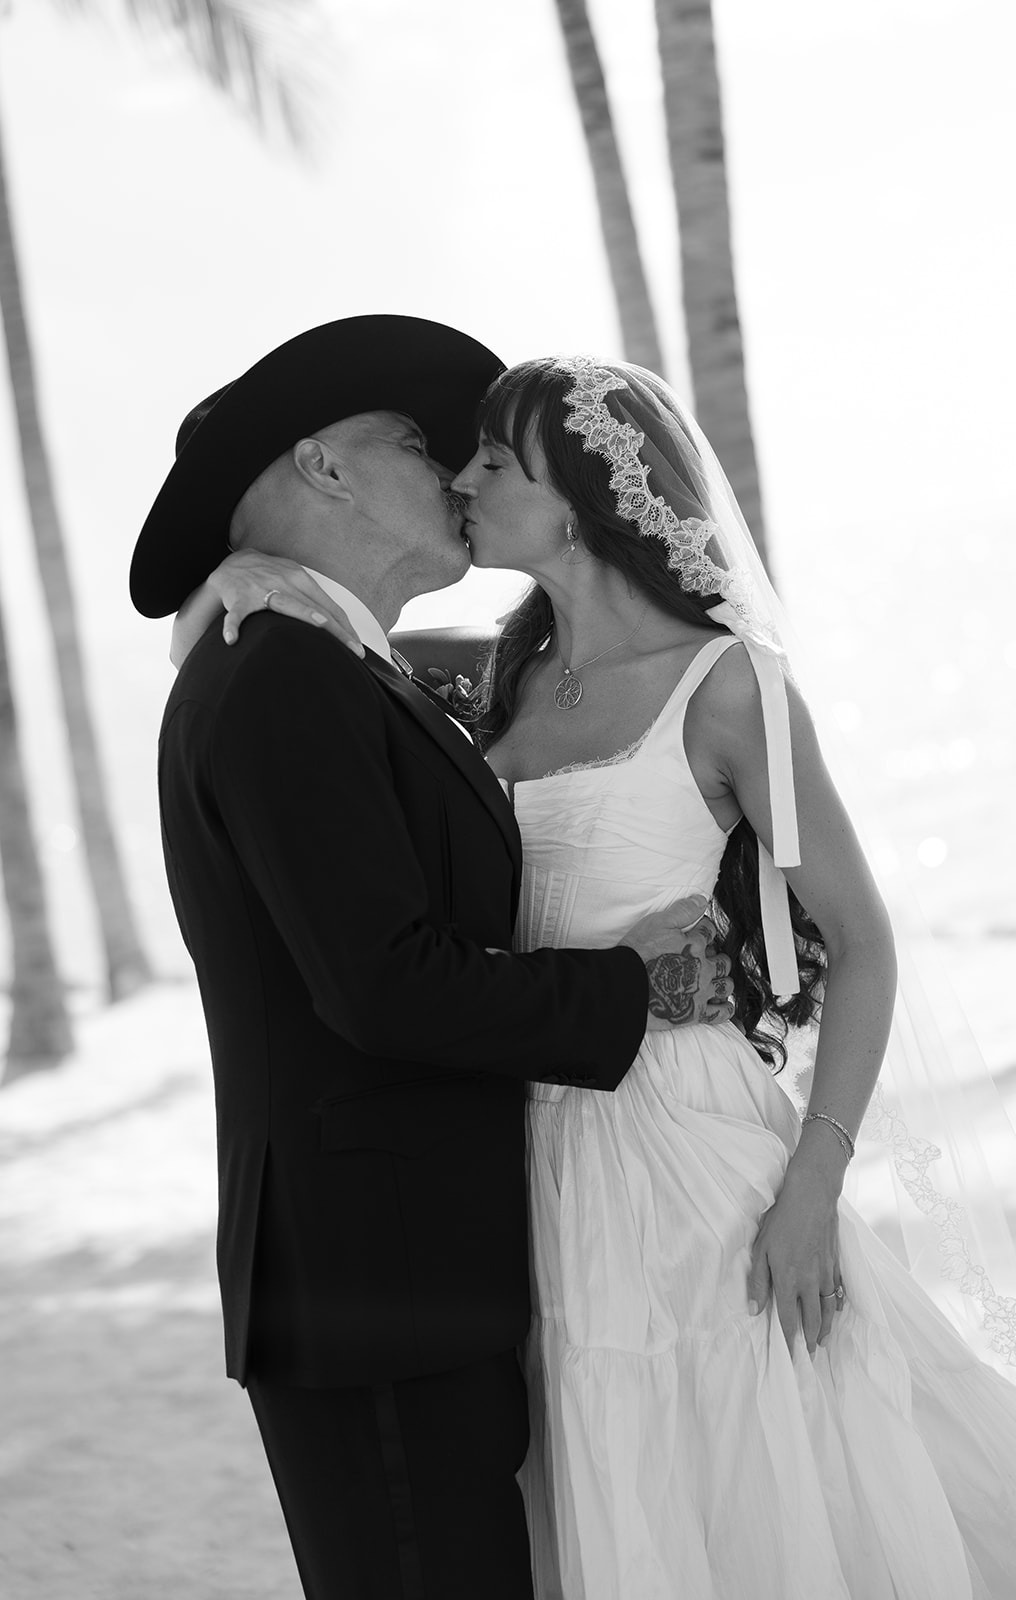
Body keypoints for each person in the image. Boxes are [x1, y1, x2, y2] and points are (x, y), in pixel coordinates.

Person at [176, 352, 1016, 1598]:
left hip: (684, 1150)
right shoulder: (475, 673)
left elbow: (859, 941)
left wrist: (816, 1173)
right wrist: (226, 574)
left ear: (585, 503)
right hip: (516, 1155)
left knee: (734, 1475)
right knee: (583, 1491)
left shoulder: (728, 687)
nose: (459, 478)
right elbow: (306, 680)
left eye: (494, 461)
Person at [130, 316, 735, 1600]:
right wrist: (637, 982)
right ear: (325, 469)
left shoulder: (337, 665)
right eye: (419, 442)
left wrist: (206, 594)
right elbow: (383, 981)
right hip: (374, 1291)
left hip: (407, 1278)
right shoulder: (285, 674)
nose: (461, 472)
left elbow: (596, 670)